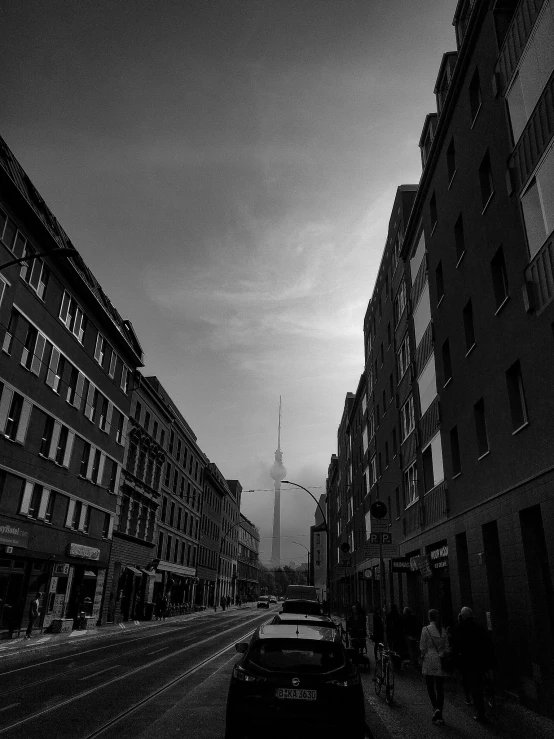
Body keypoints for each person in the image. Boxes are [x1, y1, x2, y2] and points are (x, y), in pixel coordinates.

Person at [451, 606, 496, 722]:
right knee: (478, 683)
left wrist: (456, 661)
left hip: (468, 663)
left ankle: (480, 712)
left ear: (463, 616)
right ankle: (484, 701)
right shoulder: (480, 628)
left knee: (474, 687)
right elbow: (488, 645)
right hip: (481, 662)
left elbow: (456, 646)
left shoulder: (460, 628)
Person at [420, 609, 450, 725]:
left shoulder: (425, 629)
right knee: (440, 688)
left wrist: (422, 655)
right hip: (440, 661)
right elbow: (447, 648)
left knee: (430, 686)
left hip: (429, 660)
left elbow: (422, 647)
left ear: (429, 617)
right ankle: (439, 711)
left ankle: (435, 707)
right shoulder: (442, 631)